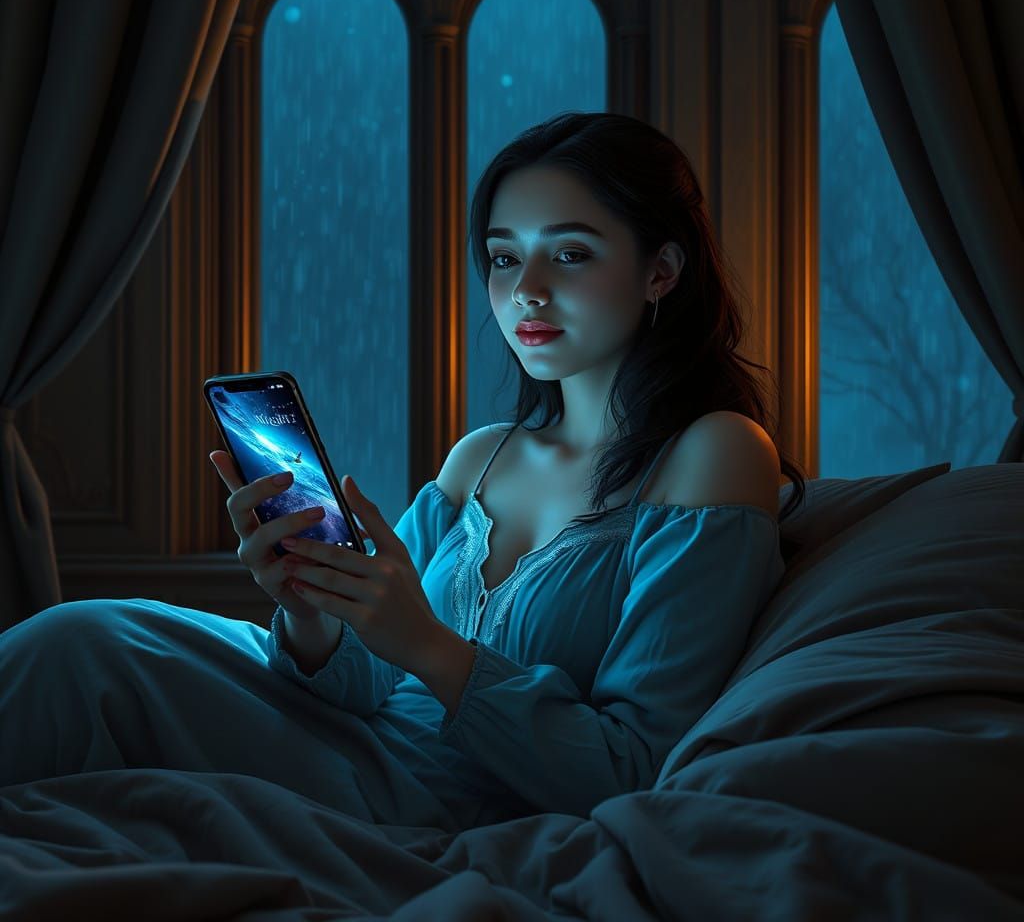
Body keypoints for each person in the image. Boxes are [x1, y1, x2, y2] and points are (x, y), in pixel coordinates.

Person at [0, 111, 805, 832]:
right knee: (82, 637)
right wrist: (312, 611)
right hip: (347, 729)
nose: (525, 290)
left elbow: (634, 766)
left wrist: (426, 643)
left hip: (424, 790)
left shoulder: (715, 452)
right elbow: (362, 682)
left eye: (569, 253)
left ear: (661, 270)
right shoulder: (481, 455)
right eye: (502, 257)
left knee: (86, 659)